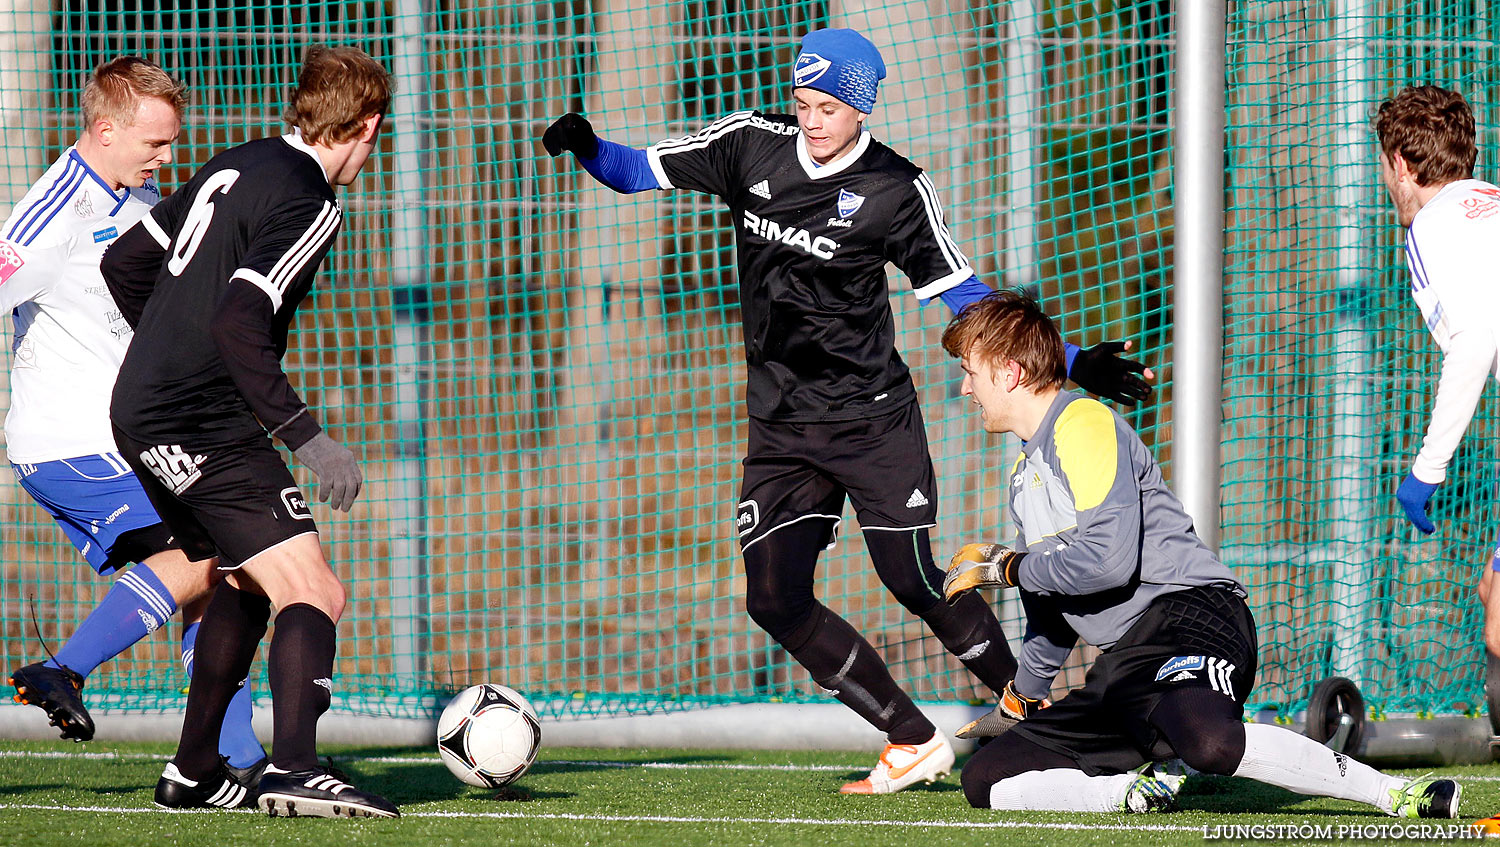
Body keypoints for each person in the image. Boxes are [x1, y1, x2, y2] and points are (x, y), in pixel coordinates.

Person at [542, 27, 1153, 794]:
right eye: (803, 102)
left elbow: (965, 296)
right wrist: (589, 144)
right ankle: (910, 735)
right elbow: (637, 173)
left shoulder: (898, 190)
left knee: (916, 581)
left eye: (829, 106)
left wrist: (1070, 360)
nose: (812, 119)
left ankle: (1047, 730)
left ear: (862, 108)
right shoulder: (749, 145)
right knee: (772, 596)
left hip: (873, 422)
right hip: (781, 427)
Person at [939, 288, 1460, 818]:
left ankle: (1395, 795)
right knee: (986, 777)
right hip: (1127, 659)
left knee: (1207, 742)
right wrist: (1020, 696)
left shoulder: (1082, 423)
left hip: (1192, 614)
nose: (965, 387)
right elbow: (1053, 601)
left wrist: (1010, 567)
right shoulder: (1023, 476)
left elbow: (1106, 562)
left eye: (970, 371)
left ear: (1008, 372)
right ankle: (1133, 792)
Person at [100, 45, 396, 818]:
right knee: (315, 589)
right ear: (366, 125)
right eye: (378, 134)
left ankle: (194, 770)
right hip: (201, 418)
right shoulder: (311, 200)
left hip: (142, 409)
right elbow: (240, 316)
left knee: (242, 581)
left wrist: (168, 351)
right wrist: (305, 433)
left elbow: (127, 262)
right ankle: (295, 766)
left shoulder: (240, 160)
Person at [1, 56, 267, 782]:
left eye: (172, 141)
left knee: (228, 570)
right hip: (66, 440)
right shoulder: (47, 215)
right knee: (206, 554)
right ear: (104, 128)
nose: (167, 156)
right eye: (154, 142)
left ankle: (238, 759)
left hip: (134, 434)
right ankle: (62, 669)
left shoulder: (141, 196)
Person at [1374, 85, 1500, 741]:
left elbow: (1475, 343)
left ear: (1399, 164)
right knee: (1495, 598)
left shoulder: (1430, 224)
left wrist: (1427, 469)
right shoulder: (1488, 204)